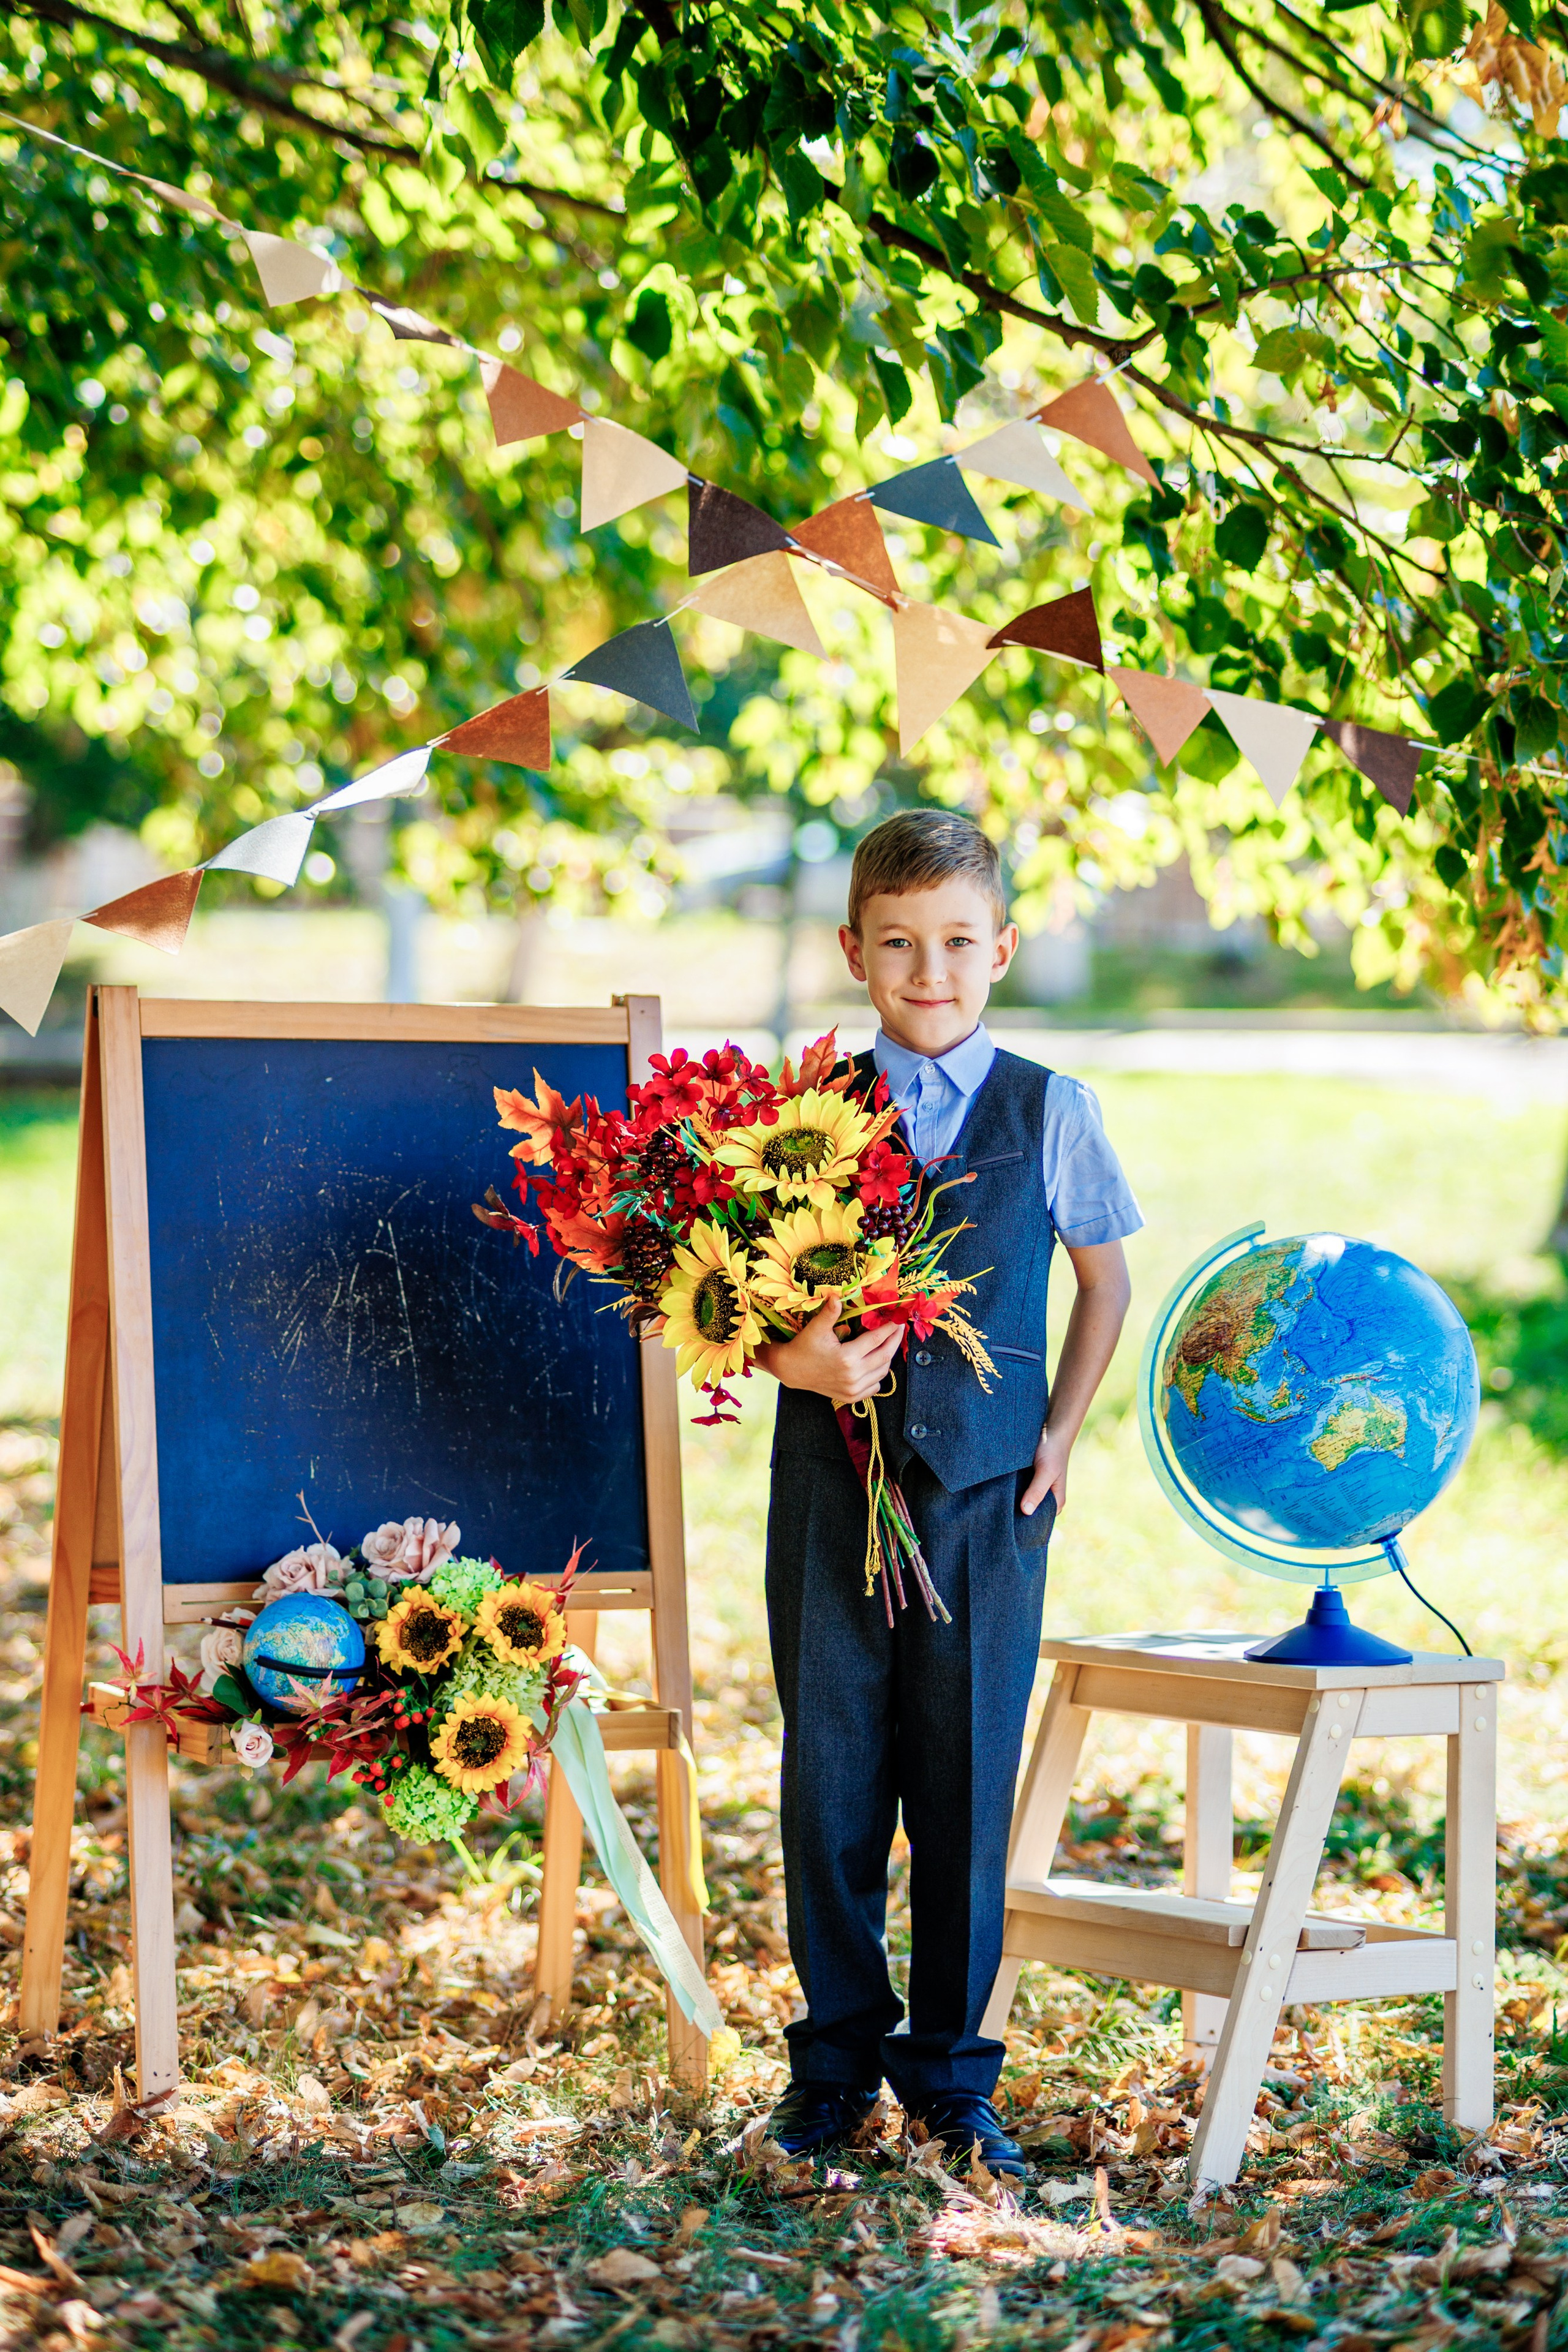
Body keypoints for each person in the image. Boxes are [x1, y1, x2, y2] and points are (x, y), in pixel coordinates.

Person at [754, 808, 1141, 2176]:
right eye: (900, 944)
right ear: (852, 950)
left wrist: (1061, 1434)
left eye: (959, 943)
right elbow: (724, 1293)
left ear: (1003, 950)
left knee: (965, 1785)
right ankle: (832, 2065)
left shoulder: (1052, 1109)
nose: (931, 971)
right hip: (829, 1491)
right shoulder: (798, 1115)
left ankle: (952, 2079)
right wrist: (794, 1360)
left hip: (987, 1500)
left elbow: (1105, 1284)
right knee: (831, 1782)